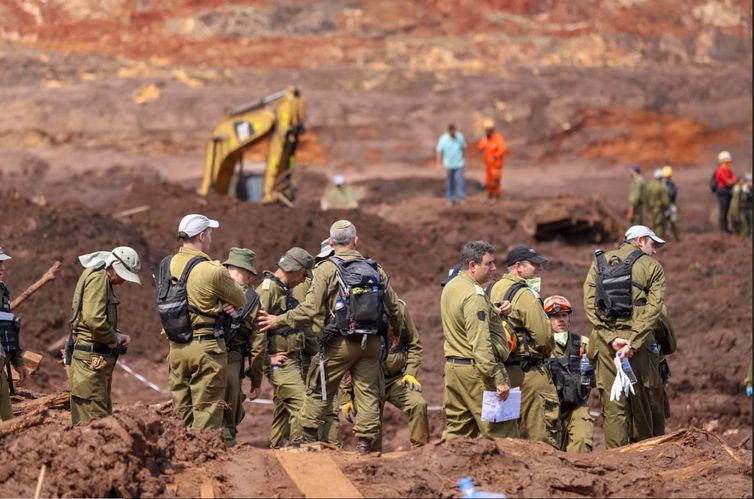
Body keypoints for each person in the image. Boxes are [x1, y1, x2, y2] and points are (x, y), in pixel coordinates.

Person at [258, 220, 403, 453]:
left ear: (331, 242)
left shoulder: (326, 268)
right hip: (372, 342)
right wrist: (395, 332)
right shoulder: (376, 269)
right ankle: (365, 445)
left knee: (319, 385)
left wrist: (279, 320)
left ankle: (308, 438)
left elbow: (310, 310)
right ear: (356, 241)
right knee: (367, 391)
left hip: (341, 341)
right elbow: (394, 307)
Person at [582, 225, 667, 448]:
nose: (654, 250)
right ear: (639, 240)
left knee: (613, 406)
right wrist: (634, 343)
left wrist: (610, 337)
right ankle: (644, 457)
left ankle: (616, 463)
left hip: (606, 345)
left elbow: (590, 306)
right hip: (638, 346)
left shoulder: (599, 263)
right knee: (641, 403)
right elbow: (654, 310)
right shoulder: (653, 267)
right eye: (652, 243)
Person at [163, 214, 246, 431]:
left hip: (177, 347)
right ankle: (203, 463)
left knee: (180, 413)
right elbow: (240, 299)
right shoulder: (212, 270)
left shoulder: (167, 265)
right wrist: (220, 301)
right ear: (201, 236)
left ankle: (181, 459)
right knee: (207, 412)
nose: (210, 237)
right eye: (209, 233)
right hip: (206, 348)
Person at [440, 240, 514, 440]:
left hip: (455, 370)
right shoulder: (475, 296)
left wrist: (496, 310)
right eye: (488, 264)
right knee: (501, 434)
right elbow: (480, 342)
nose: (494, 268)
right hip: (476, 373)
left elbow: (464, 321)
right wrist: (498, 378)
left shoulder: (452, 286)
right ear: (473, 266)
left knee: (458, 435)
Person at [490, 246, 559, 447]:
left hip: (501, 373)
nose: (539, 268)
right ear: (518, 267)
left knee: (505, 437)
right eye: (534, 264)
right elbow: (545, 337)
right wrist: (545, 353)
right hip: (530, 372)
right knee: (544, 435)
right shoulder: (525, 294)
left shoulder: (491, 289)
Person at [340, 300, 429, 449]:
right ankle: (371, 462)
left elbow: (414, 345)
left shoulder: (399, 310)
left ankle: (421, 452)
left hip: (397, 379)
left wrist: (410, 373)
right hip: (368, 382)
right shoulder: (354, 310)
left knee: (418, 404)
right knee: (370, 425)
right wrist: (345, 397)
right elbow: (346, 356)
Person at [68, 246, 141, 424]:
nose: (123, 282)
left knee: (99, 419)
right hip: (90, 364)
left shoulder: (100, 277)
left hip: (93, 363)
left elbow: (93, 318)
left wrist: (115, 334)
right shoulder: (99, 278)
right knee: (94, 424)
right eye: (123, 275)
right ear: (115, 266)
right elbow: (93, 319)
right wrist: (113, 337)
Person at [257, 247, 314, 448]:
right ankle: (299, 448)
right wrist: (266, 359)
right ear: (296, 269)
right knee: (302, 404)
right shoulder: (269, 289)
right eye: (303, 275)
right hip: (280, 362)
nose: (302, 280)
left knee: (283, 407)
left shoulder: (282, 289)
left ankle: (278, 449)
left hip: (291, 360)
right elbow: (255, 328)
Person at [220, 247, 262, 447]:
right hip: (232, 361)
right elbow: (258, 345)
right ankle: (226, 451)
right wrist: (256, 379)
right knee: (229, 413)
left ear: (226, 267)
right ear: (249, 275)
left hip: (202, 355)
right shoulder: (252, 300)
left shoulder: (211, 289)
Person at [542, 295, 594, 453]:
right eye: (556, 316)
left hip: (577, 405)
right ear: (546, 319)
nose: (561, 320)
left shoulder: (583, 343)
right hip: (550, 410)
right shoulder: (540, 346)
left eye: (564, 316)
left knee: (582, 442)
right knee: (550, 452)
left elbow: (597, 378)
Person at [0, 247, 29, 421]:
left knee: (7, 425)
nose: (2, 267)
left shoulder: (3, 291)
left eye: (2, 262)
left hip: (2, 369)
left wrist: (19, 363)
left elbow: (7, 329)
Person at [435, 123, 467, 206]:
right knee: (450, 182)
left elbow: (463, 149)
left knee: (460, 181)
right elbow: (439, 151)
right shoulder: (443, 139)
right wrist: (439, 163)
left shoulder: (460, 137)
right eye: (451, 131)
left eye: (453, 131)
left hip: (459, 164)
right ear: (448, 131)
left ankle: (461, 198)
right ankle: (450, 198)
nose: (452, 133)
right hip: (448, 164)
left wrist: (464, 160)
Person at [477, 119, 507, 201]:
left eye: (489, 130)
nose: (487, 132)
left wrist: (496, 155)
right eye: (486, 130)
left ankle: (496, 195)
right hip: (488, 164)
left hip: (496, 164)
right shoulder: (486, 139)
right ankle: (489, 194)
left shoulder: (498, 137)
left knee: (495, 179)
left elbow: (502, 149)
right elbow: (480, 147)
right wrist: (483, 140)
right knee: (488, 179)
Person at [714, 151, 738, 233]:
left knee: (727, 211)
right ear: (722, 161)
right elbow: (728, 181)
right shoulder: (719, 170)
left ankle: (726, 228)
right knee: (723, 211)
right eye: (727, 162)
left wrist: (733, 181)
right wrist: (733, 181)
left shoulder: (728, 170)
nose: (728, 163)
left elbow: (734, 178)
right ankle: (722, 229)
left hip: (728, 191)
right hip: (722, 192)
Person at [645, 169, 670, 239]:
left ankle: (653, 240)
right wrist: (667, 208)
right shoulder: (661, 187)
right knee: (660, 226)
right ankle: (658, 241)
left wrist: (648, 208)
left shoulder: (649, 185)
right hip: (659, 210)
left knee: (654, 225)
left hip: (652, 210)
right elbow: (666, 201)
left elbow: (646, 198)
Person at [661, 166, 682, 241]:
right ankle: (679, 238)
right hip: (670, 206)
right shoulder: (671, 184)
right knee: (674, 223)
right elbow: (674, 195)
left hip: (664, 207)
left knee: (663, 224)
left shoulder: (661, 184)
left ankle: (662, 238)